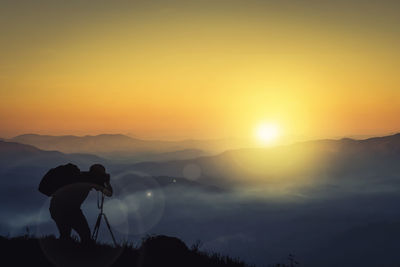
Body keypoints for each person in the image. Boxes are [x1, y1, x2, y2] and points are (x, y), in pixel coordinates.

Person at [49, 164, 113, 243]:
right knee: (85, 235)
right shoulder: (92, 180)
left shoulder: (81, 175)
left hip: (55, 207)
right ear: (97, 174)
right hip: (71, 210)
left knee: (65, 235)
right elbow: (109, 193)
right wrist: (107, 182)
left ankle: (64, 251)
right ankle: (84, 252)